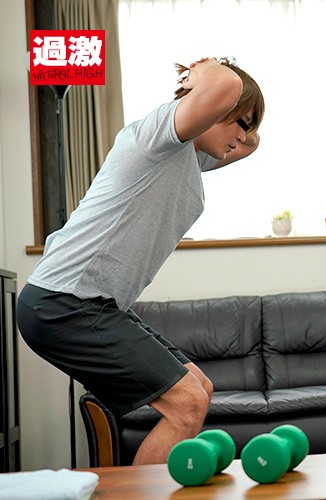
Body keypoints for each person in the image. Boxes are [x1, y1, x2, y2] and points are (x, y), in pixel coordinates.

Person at [17, 57, 264, 465]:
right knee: (186, 404)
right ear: (215, 105)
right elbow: (225, 87)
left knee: (199, 389)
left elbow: (251, 144)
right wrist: (200, 73)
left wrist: (242, 117)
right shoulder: (158, 135)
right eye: (241, 121)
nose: (243, 135)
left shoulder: (190, 155)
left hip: (94, 305)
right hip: (62, 301)